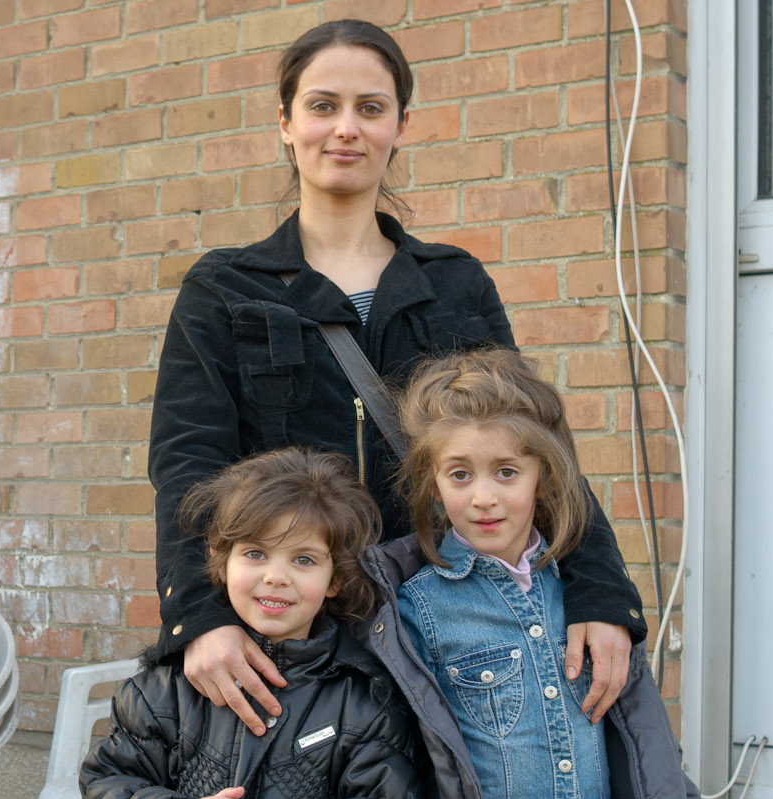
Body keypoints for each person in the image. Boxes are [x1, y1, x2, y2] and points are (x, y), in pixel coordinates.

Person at [147, 18, 644, 740]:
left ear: (400, 126)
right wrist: (202, 614)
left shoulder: (455, 282)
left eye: (370, 108)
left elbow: (539, 452)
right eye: (322, 106)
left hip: (454, 639)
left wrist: (601, 591)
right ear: (285, 123)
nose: (345, 128)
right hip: (294, 647)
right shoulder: (224, 287)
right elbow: (187, 463)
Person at [361, 348, 706, 799]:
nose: (484, 498)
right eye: (460, 475)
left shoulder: (588, 599)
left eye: (506, 472)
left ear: (541, 477)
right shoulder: (415, 611)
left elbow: (647, 744)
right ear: (432, 482)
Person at [82, 447, 422, 799]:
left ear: (335, 579)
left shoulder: (366, 703)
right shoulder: (164, 691)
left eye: (303, 559)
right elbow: (109, 783)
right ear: (221, 560)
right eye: (256, 553)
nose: (275, 576)